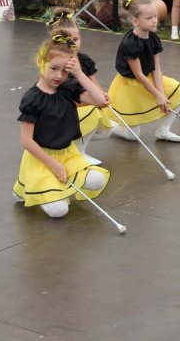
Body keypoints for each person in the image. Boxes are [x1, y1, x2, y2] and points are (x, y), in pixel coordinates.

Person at [12, 33, 110, 218]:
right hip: (42, 159)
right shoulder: (32, 99)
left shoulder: (67, 88)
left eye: (65, 71)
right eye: (54, 68)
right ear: (40, 62)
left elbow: (100, 102)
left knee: (97, 180)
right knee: (59, 211)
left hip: (68, 154)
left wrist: (79, 74)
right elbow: (26, 141)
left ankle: (53, 189)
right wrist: (55, 166)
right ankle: (26, 187)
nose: (59, 76)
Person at [109, 0, 180, 143]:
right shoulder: (130, 43)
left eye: (155, 16)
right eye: (149, 18)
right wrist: (157, 95)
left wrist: (162, 94)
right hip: (130, 85)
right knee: (132, 136)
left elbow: (156, 68)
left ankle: (163, 130)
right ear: (135, 21)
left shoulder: (153, 38)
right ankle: (109, 125)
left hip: (147, 79)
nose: (154, 21)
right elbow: (138, 75)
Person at [46, 9, 112, 165]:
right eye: (67, 40)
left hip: (84, 103)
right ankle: (78, 153)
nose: (73, 43)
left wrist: (102, 94)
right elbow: (73, 97)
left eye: (76, 39)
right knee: (93, 113)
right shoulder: (58, 68)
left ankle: (71, 145)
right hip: (63, 113)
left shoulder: (84, 60)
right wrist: (95, 100)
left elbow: (94, 84)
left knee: (106, 131)